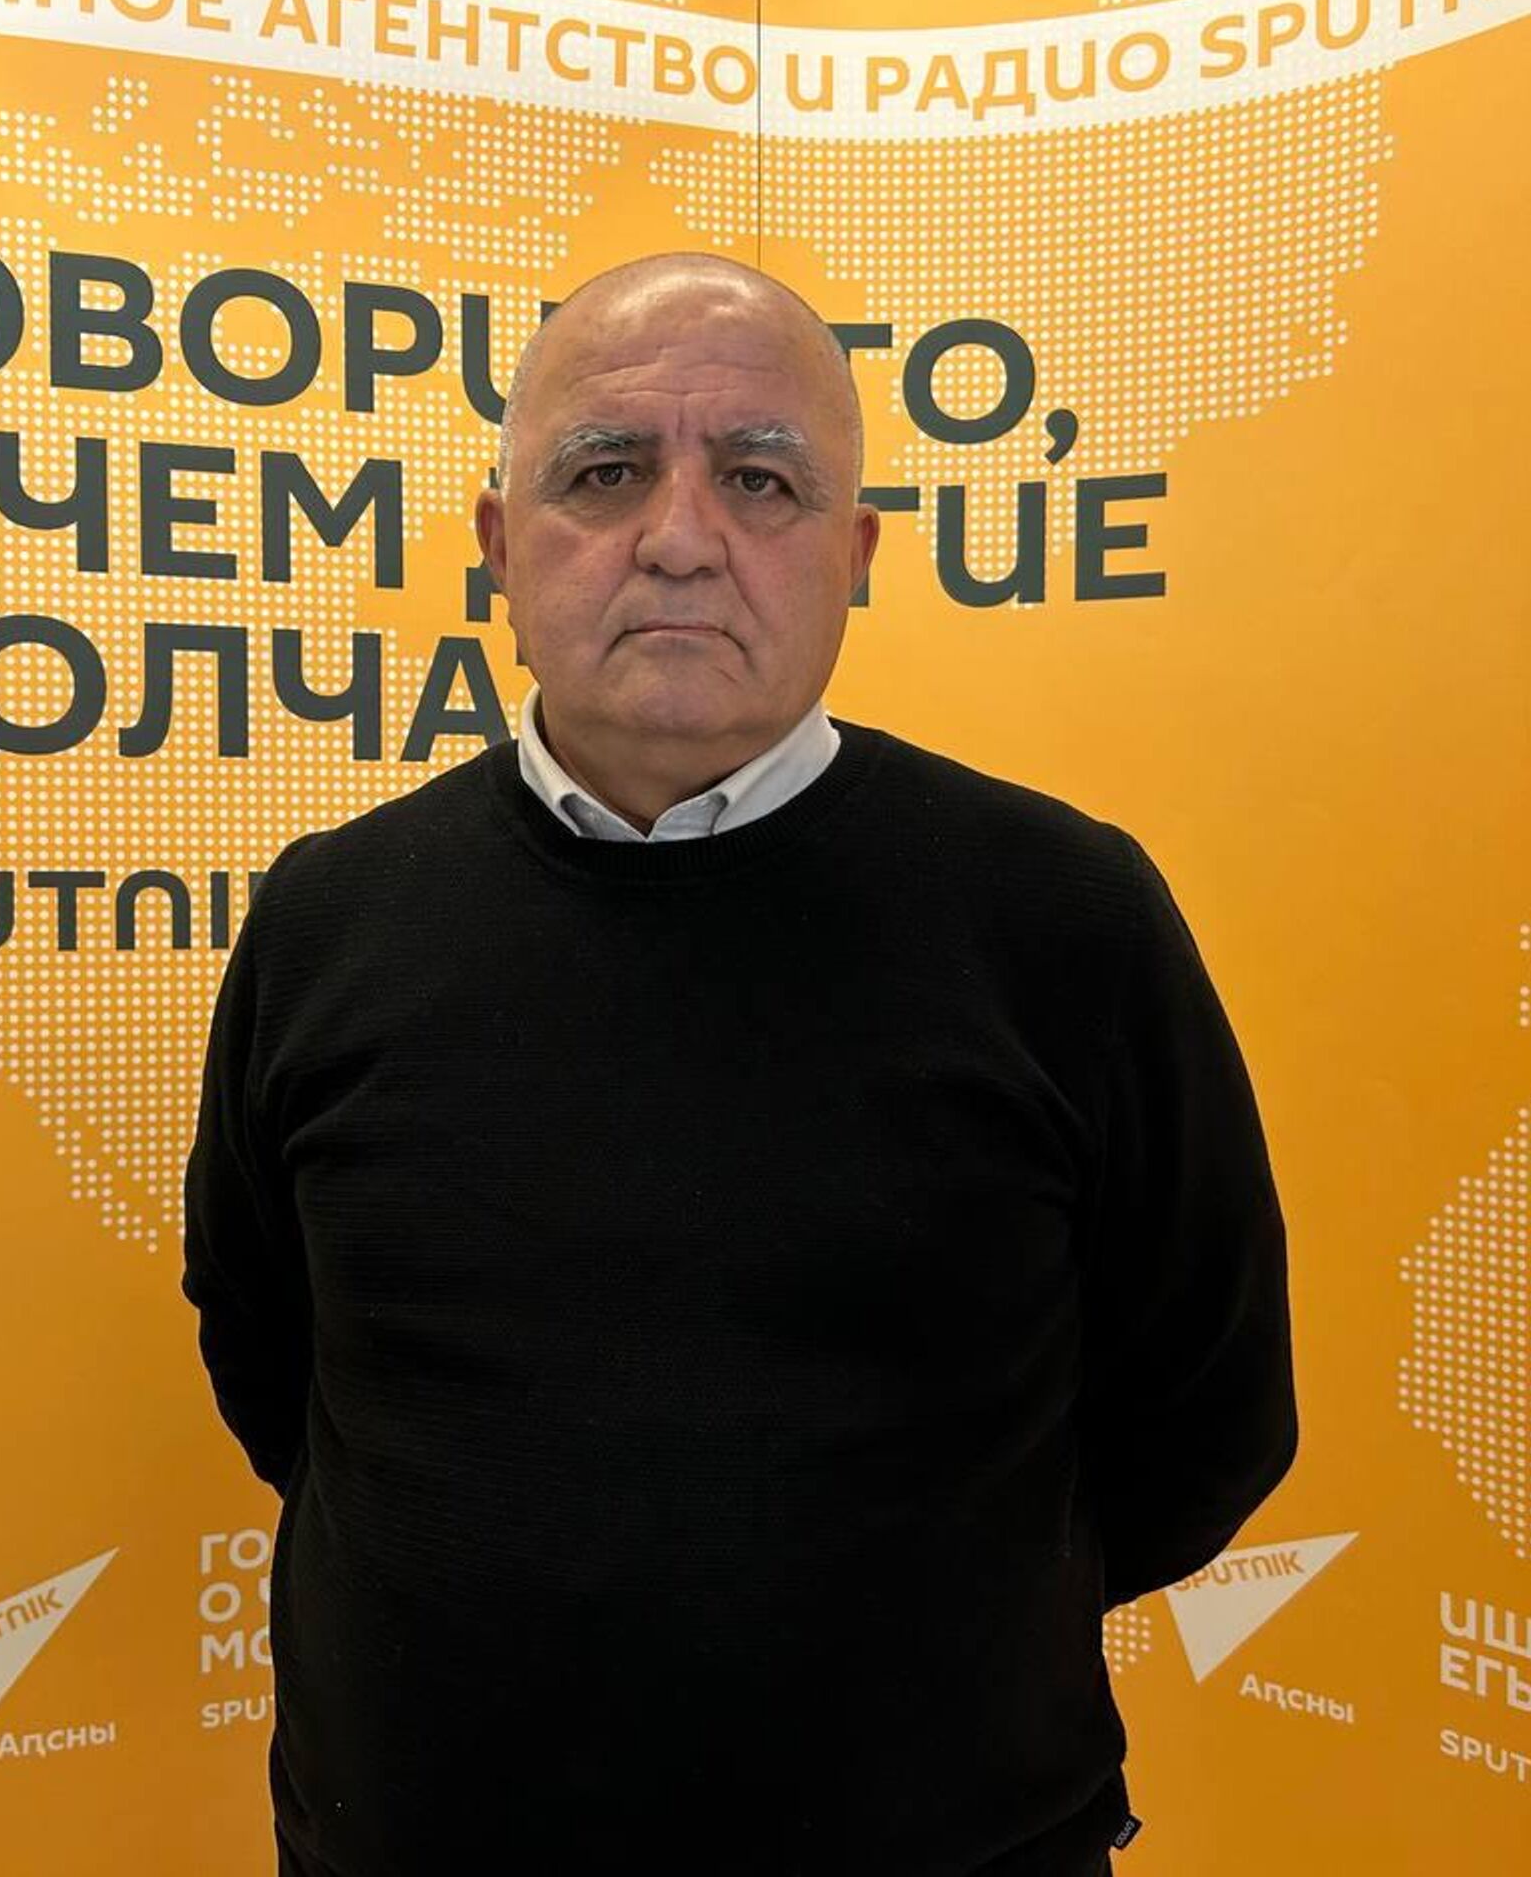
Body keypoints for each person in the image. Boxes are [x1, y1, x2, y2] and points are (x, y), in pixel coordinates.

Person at [182, 252, 1298, 1877]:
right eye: (605, 472)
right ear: (500, 547)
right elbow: (269, 1348)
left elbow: (1205, 1406)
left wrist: (940, 1635)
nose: (682, 537)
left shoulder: (1066, 918)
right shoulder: (328, 917)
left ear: (854, 554)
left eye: (761, 479)